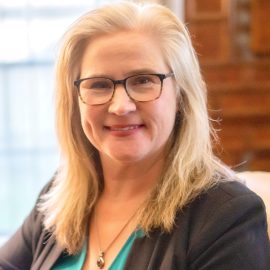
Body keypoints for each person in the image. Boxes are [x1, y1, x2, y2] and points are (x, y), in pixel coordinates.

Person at [0, 1, 269, 269]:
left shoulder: (228, 216)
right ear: (75, 101)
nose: (120, 107)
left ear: (181, 94)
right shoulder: (60, 197)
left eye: (143, 80)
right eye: (99, 84)